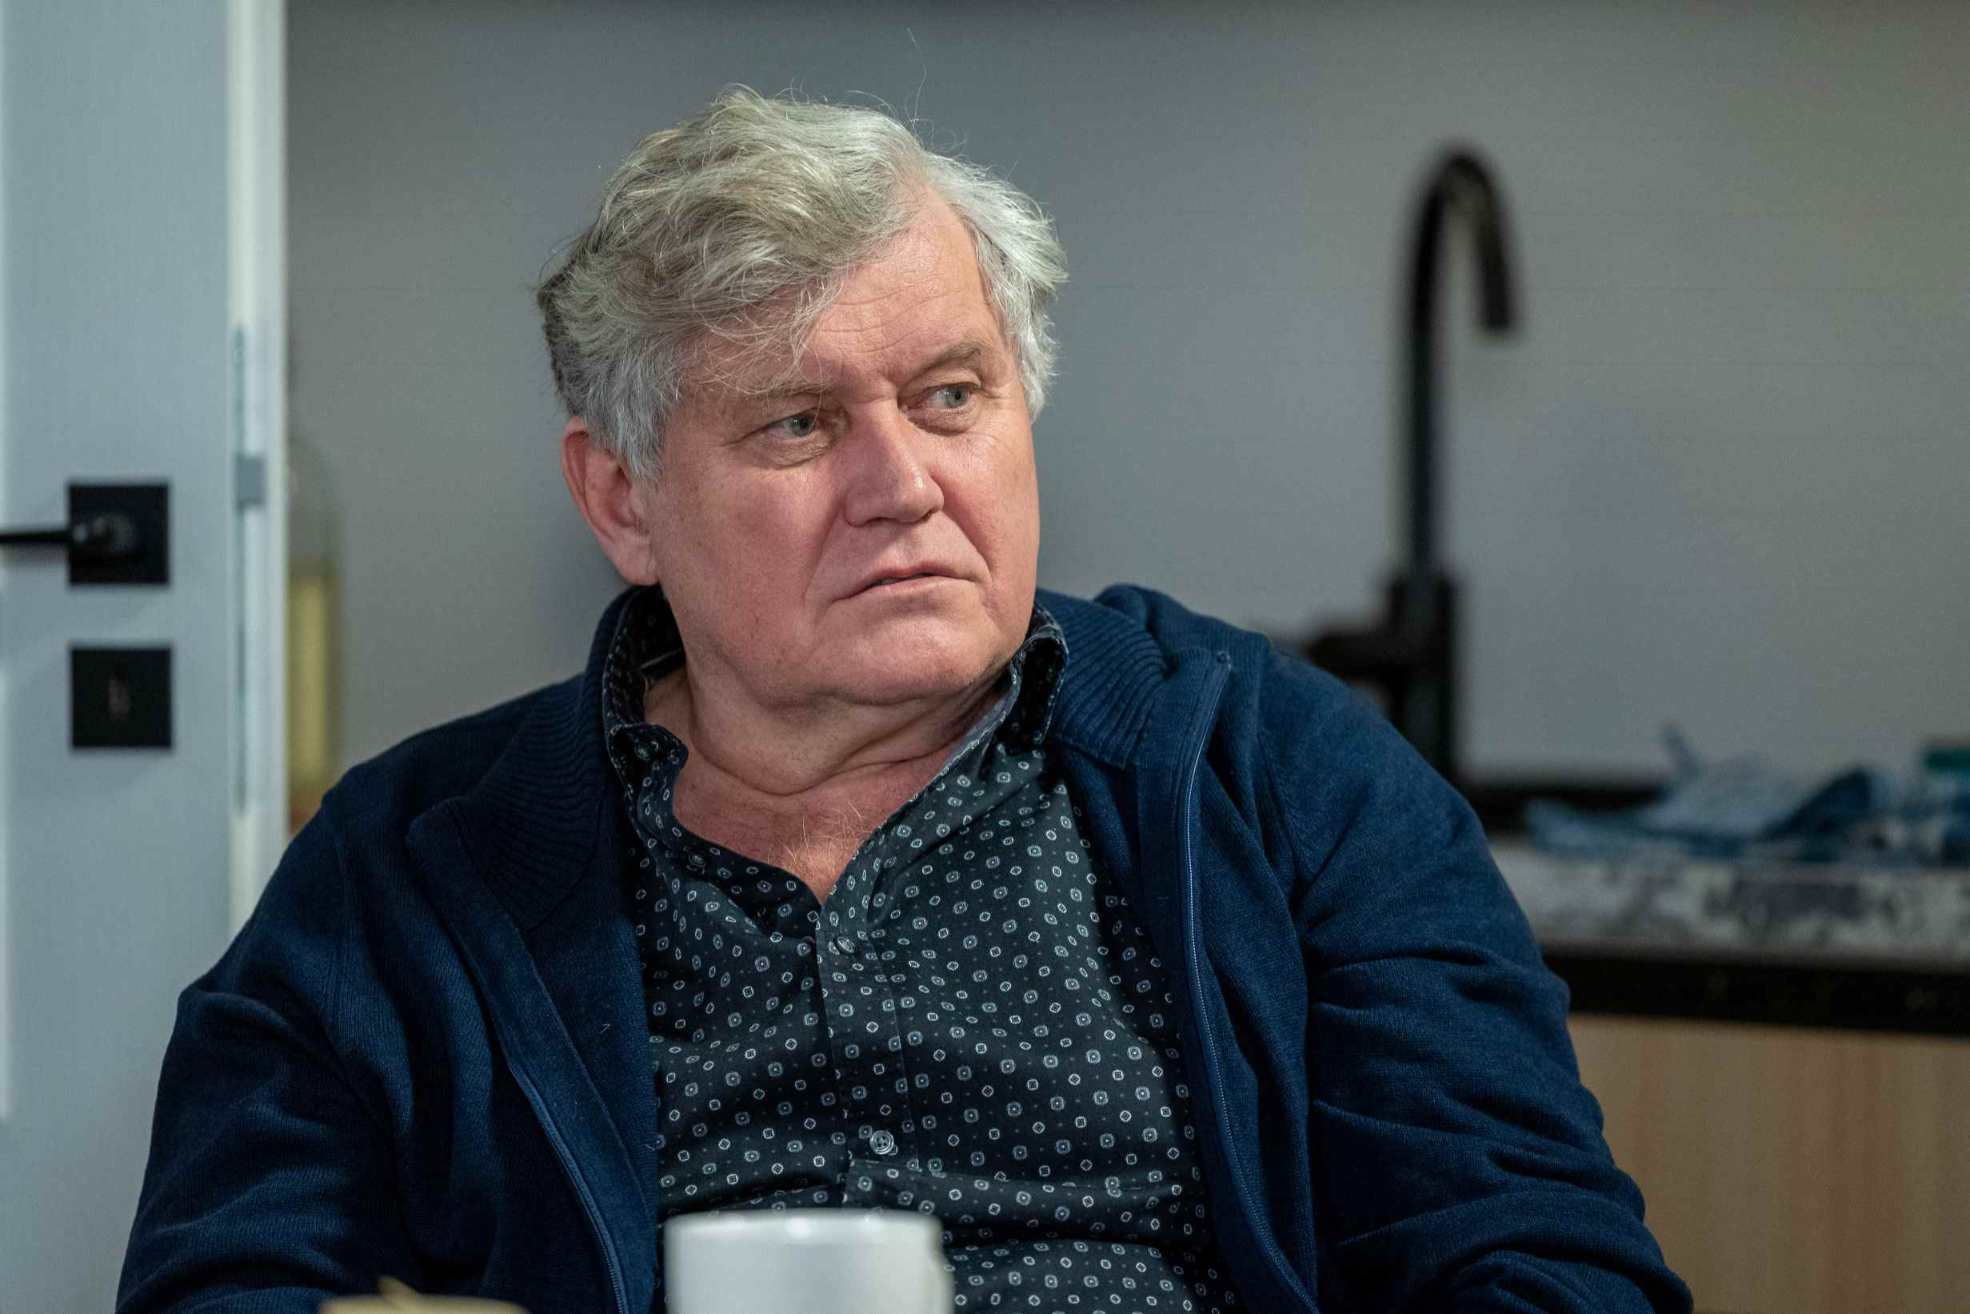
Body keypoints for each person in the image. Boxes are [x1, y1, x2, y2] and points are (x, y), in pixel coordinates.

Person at [119, 88, 1690, 1314]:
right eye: (799, 425)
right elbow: (227, 1279)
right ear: (623, 501)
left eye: (949, 397)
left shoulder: (1275, 773)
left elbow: (1541, 1263)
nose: (905, 484)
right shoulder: (408, 870)